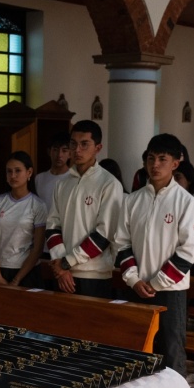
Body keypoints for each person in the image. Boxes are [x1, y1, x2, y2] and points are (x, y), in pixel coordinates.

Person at [114, 134, 194, 376]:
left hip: (170, 291)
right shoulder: (133, 200)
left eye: (163, 159)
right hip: (136, 287)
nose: (155, 165)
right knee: (138, 348)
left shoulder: (186, 202)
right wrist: (134, 280)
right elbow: (122, 243)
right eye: (151, 158)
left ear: (175, 163)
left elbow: (188, 251)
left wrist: (155, 283)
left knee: (170, 350)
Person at [45, 120, 123, 298]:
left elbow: (104, 235)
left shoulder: (109, 184)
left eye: (84, 144)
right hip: (63, 272)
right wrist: (60, 263)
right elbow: (52, 226)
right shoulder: (62, 184)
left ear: (98, 147)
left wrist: (67, 262)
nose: (77, 150)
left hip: (94, 274)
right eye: (73, 144)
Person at [0, 151, 47, 288]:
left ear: (29, 172)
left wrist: (17, 280)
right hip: (0, 269)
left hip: (27, 272)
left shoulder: (38, 205)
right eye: (9, 171)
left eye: (18, 171)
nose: (13, 176)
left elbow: (37, 248)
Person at [33, 132, 73, 211]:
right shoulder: (39, 178)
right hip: (42, 222)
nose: (59, 155)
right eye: (55, 150)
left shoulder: (74, 178)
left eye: (64, 151)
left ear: (70, 154)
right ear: (49, 151)